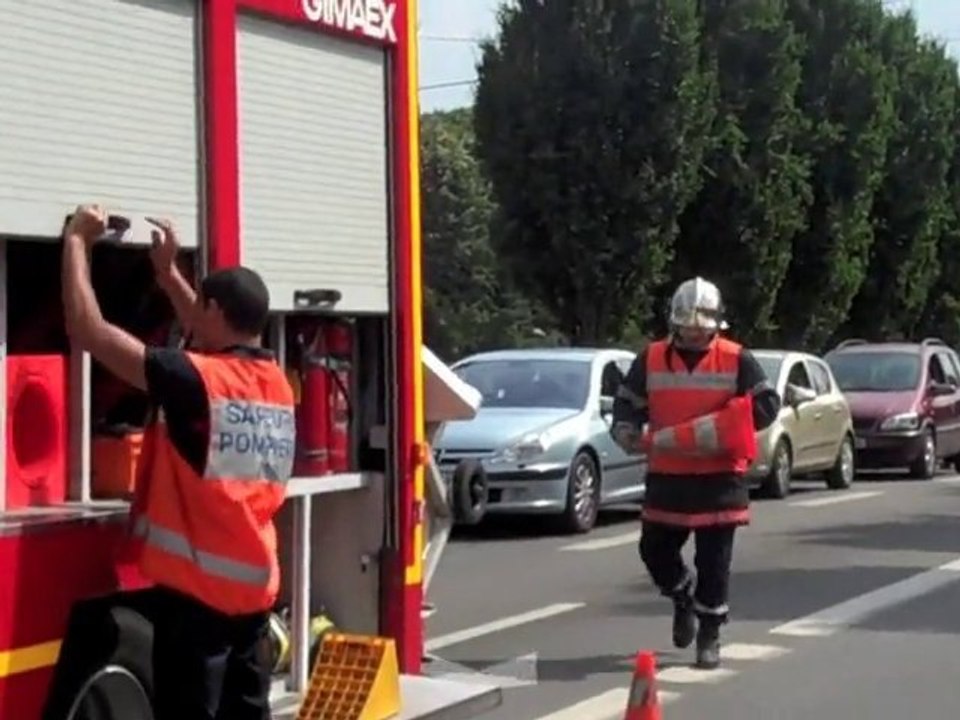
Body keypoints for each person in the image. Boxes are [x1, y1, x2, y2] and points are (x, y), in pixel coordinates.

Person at [60, 205, 296, 719]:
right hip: (253, 596)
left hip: (198, 606)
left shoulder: (197, 382)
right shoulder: (276, 385)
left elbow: (89, 330)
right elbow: (211, 330)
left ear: (215, 309)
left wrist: (77, 241)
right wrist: (167, 274)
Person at [611, 277, 780, 669]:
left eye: (701, 326)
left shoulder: (736, 358)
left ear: (716, 324)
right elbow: (627, 402)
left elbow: (768, 403)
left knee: (714, 562)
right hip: (668, 476)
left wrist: (733, 423)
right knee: (654, 550)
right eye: (686, 325)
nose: (693, 332)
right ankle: (681, 594)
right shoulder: (652, 357)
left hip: (720, 478)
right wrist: (625, 428)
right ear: (674, 322)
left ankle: (710, 634)